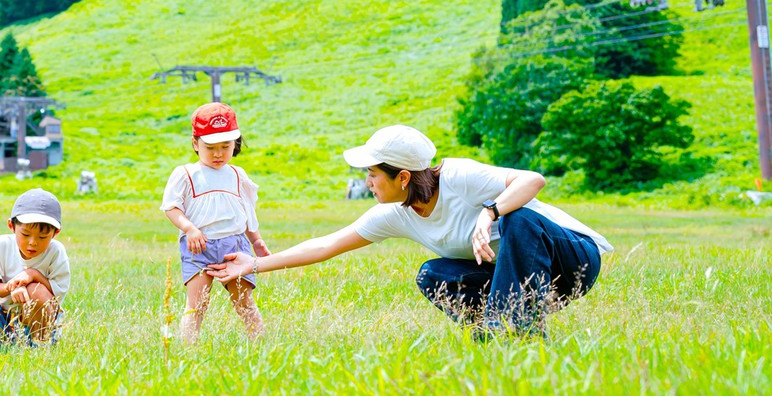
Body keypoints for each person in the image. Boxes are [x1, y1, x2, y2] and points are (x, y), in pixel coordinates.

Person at [209, 125, 611, 337]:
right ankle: (509, 328)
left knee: (517, 218)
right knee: (432, 274)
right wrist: (255, 265)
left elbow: (533, 180)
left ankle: (504, 329)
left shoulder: (460, 176)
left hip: (571, 258)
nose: (368, 182)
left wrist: (490, 213)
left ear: (402, 176)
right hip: (523, 276)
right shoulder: (395, 212)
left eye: (372, 173)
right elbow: (328, 244)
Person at [161, 102, 269, 343]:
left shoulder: (238, 174)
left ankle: (260, 345)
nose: (218, 154)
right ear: (195, 143)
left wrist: (257, 239)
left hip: (235, 246)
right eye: (210, 147)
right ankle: (189, 350)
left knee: (245, 303)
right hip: (199, 247)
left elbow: (247, 212)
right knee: (196, 305)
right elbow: (171, 207)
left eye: (225, 146)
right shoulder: (186, 173)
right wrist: (189, 228)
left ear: (235, 143)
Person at [0, 188, 70, 351]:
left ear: (55, 233)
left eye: (42, 237)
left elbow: (57, 294)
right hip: (2, 317)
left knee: (35, 289)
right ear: (11, 225)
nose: (33, 242)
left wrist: (33, 275)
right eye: (25, 234)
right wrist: (12, 287)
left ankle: (39, 347)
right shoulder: (1, 246)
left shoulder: (56, 252)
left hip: (41, 320)